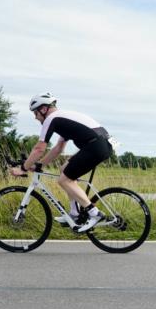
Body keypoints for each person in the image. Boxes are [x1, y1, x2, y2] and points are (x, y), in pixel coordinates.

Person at [9, 93, 113, 232]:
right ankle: (75, 213)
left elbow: (39, 148)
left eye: (35, 113)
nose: (35, 117)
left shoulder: (51, 119)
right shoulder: (62, 118)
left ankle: (95, 214)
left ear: (44, 109)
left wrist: (23, 168)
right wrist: (39, 165)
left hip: (95, 146)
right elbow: (58, 148)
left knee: (64, 180)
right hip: (99, 145)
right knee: (65, 170)